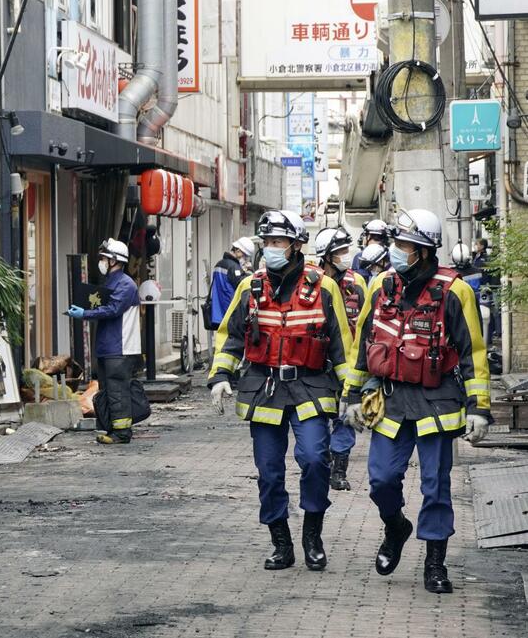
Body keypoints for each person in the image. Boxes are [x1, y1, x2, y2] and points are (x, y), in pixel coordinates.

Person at [341, 209, 491, 594]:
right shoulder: (381, 286)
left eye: (404, 245)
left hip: (438, 399)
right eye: (396, 244)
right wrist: (353, 395)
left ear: (423, 251)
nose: (396, 251)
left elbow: (473, 352)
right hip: (389, 398)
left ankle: (435, 562)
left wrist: (479, 407)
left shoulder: (455, 291)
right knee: (380, 480)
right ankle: (396, 527)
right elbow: (362, 347)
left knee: (435, 486)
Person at [209, 210, 353, 572]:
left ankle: (312, 536)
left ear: (296, 245)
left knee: (316, 460)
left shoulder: (325, 286)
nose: (270, 249)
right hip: (264, 388)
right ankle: (281, 542)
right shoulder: (250, 286)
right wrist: (221, 375)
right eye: (267, 242)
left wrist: (352, 394)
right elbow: (230, 336)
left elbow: (342, 346)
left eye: (277, 242)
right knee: (269, 471)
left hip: (311, 386)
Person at [67, 239, 141, 445]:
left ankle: (122, 433)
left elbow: (112, 309)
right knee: (109, 390)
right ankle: (112, 429)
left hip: (120, 347)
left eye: (104, 258)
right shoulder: (113, 282)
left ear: (115, 261)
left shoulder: (125, 284)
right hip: (110, 347)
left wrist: (85, 313)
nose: (101, 262)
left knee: (117, 391)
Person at [313, 226, 368, 491]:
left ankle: (339, 470)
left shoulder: (356, 283)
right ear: (326, 255)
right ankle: (320, 464)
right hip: (319, 364)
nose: (346, 256)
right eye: (341, 252)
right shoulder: (312, 283)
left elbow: (368, 323)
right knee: (318, 417)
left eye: (347, 251)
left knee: (345, 415)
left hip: (349, 361)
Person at [209, 237, 256, 326]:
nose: (245, 259)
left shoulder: (219, 264)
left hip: (218, 311)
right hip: (230, 312)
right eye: (245, 256)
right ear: (238, 251)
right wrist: (249, 272)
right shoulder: (233, 267)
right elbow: (244, 285)